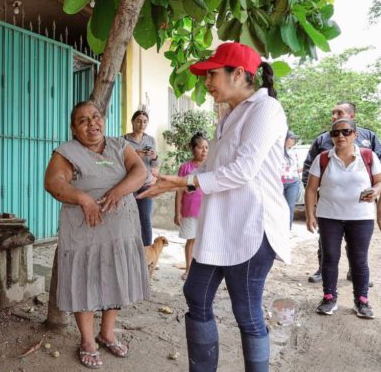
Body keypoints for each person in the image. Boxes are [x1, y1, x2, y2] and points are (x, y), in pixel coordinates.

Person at [138, 42, 290, 371]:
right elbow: (211, 168)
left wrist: (183, 182)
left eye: (212, 74)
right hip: (220, 226)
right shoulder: (227, 116)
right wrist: (170, 180)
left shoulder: (266, 111)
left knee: (246, 311)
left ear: (238, 74)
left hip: (253, 227)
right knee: (196, 293)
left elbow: (242, 171)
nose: (207, 83)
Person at [44, 101, 150, 369]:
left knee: (115, 277)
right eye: (83, 120)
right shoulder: (67, 152)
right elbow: (54, 182)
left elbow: (140, 171)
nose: (92, 123)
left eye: (95, 117)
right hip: (85, 232)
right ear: (73, 128)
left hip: (119, 230)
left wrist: (118, 191)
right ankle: (88, 341)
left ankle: (107, 333)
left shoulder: (118, 145)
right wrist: (83, 198)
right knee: (85, 280)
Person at [305, 119, 380, 319]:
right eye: (336, 133)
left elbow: (380, 182)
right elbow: (311, 188)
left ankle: (361, 300)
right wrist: (310, 215)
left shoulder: (368, 156)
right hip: (329, 216)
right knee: (330, 258)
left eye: (346, 132)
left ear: (355, 135)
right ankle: (329, 297)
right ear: (331, 137)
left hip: (361, 217)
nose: (341, 136)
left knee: (359, 259)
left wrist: (375, 190)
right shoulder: (323, 158)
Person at [174, 132, 209, 280]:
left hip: (206, 210)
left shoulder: (211, 166)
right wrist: (177, 212)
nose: (204, 151)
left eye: (207, 148)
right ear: (193, 149)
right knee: (191, 239)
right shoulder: (185, 168)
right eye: (201, 147)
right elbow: (179, 191)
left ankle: (202, 271)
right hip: (189, 210)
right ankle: (188, 269)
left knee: (205, 240)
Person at [123, 110, 159, 246]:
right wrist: (134, 155)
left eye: (145, 121)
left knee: (145, 218)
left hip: (146, 184)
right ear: (132, 122)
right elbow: (120, 163)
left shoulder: (150, 140)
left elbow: (155, 164)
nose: (142, 124)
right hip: (129, 185)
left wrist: (154, 156)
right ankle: (129, 247)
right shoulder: (124, 140)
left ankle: (146, 250)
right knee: (128, 217)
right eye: (138, 121)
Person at [282, 130, 302, 228]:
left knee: (290, 206)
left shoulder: (294, 153)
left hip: (293, 182)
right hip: (279, 182)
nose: (293, 140)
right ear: (285, 139)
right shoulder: (277, 152)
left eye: (294, 138)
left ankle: (287, 229)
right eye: (292, 138)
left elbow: (297, 168)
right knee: (279, 206)